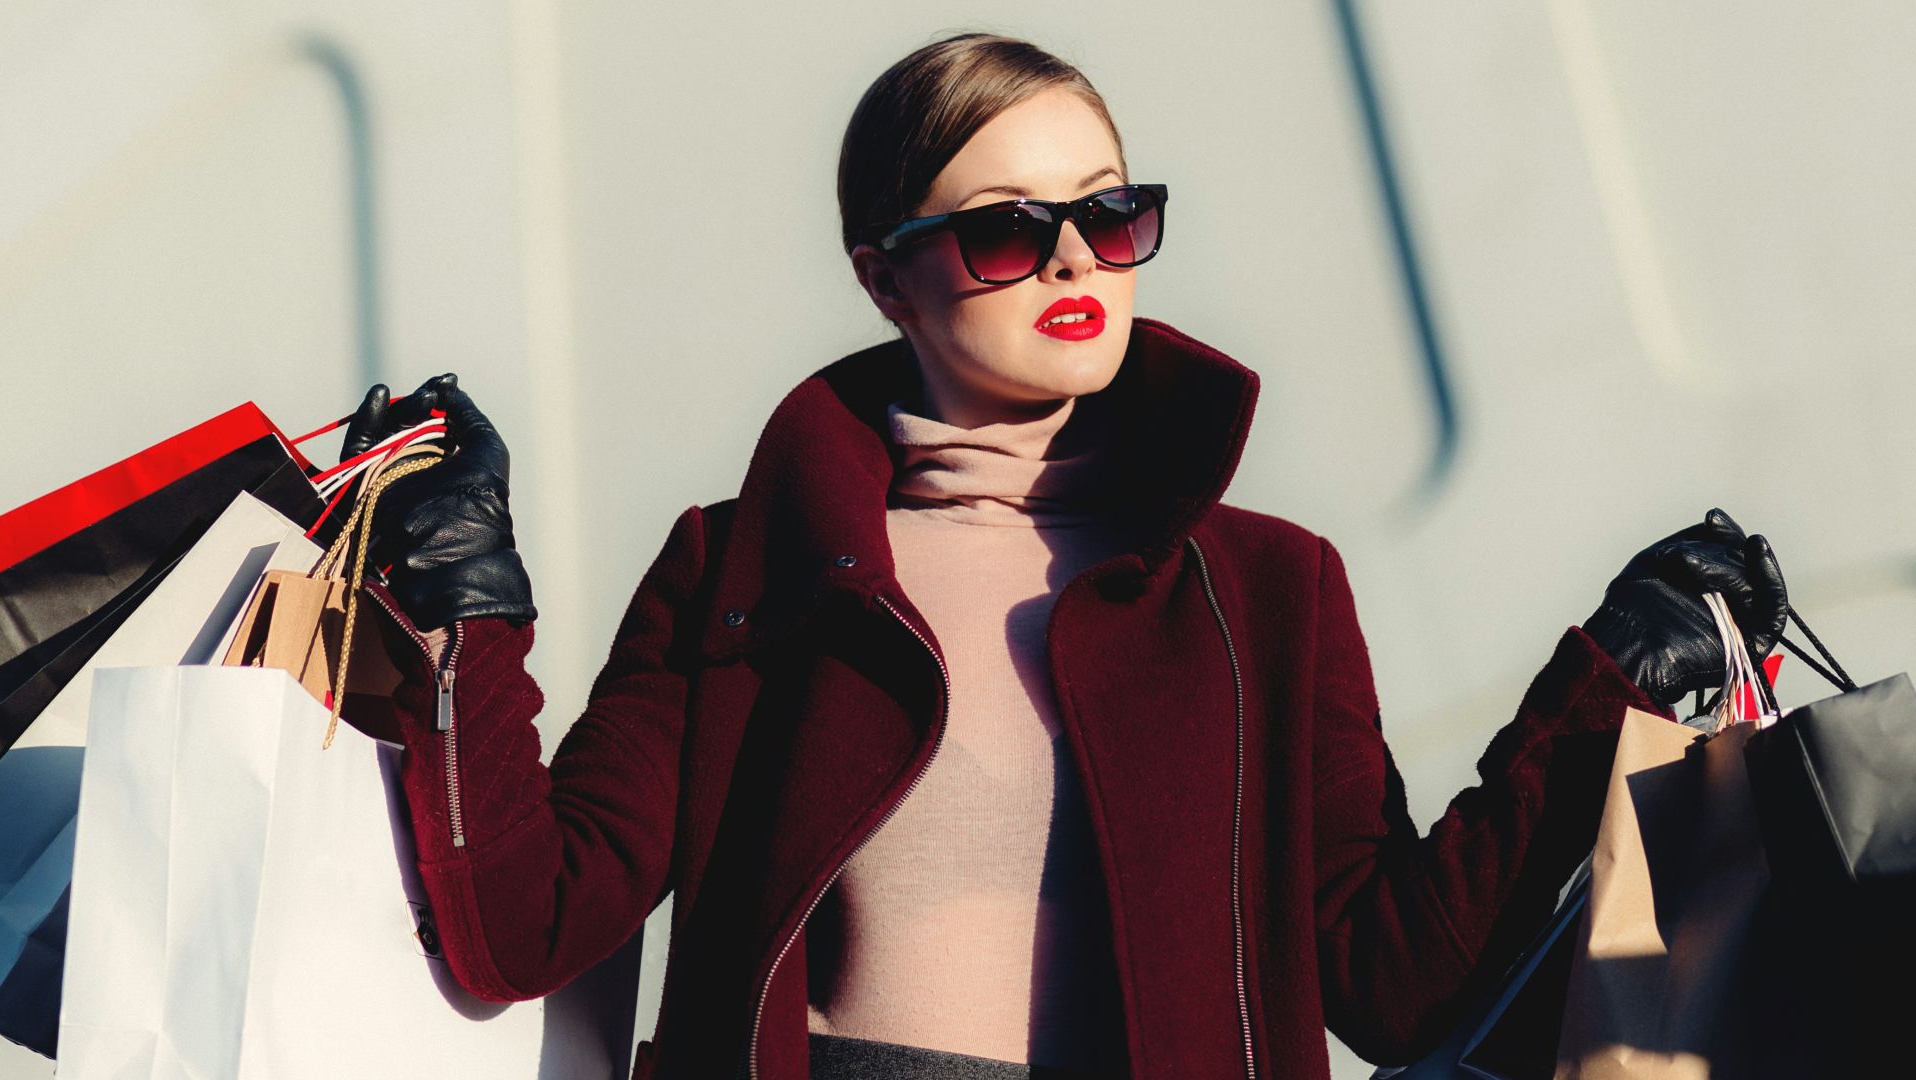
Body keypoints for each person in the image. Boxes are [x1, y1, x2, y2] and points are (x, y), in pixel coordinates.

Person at [344, 33, 1789, 1080]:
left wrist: (1605, 682)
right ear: (883, 272)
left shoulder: (1268, 591)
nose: (1076, 262)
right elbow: (527, 926)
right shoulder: (751, 566)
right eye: (1001, 233)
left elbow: (1389, 984)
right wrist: (471, 607)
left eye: (1109, 212)